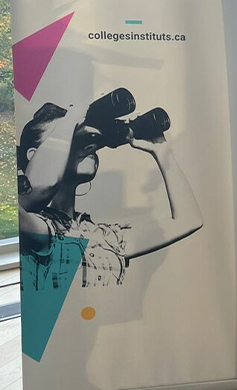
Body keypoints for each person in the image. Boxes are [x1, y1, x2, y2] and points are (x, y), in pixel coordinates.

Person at [19, 91, 204, 289]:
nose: (87, 145)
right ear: (33, 155)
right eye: (67, 136)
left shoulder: (101, 235)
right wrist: (72, 117)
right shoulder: (26, 223)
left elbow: (188, 221)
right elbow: (44, 184)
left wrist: (161, 150)